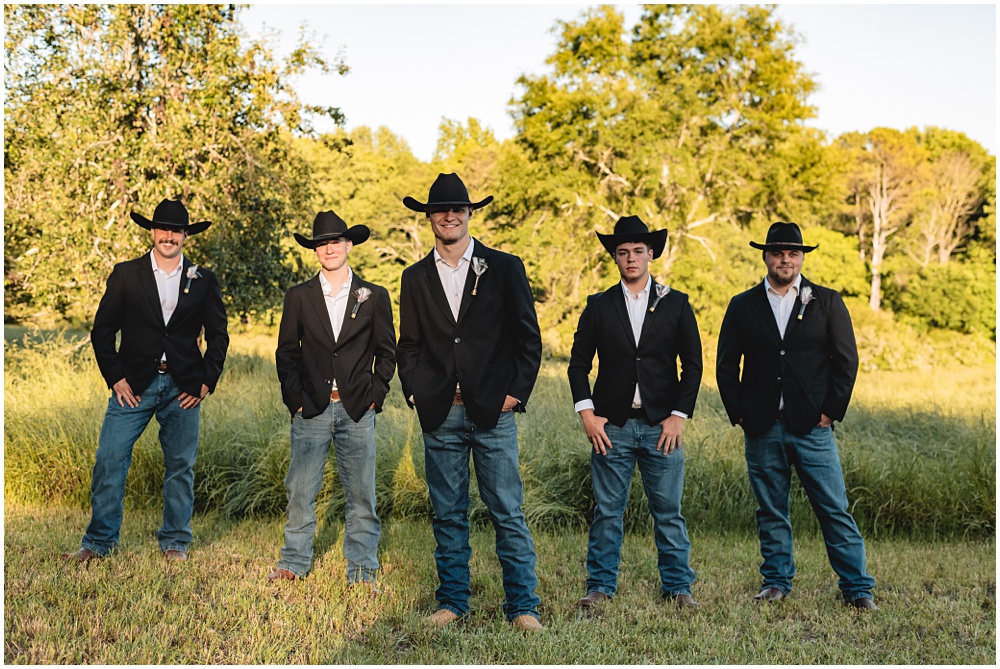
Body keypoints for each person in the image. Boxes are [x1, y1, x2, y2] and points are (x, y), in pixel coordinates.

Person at [396, 173, 544, 632]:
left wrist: (515, 393)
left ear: (469, 214)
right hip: (441, 412)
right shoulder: (415, 277)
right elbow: (410, 344)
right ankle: (452, 602)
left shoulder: (504, 267)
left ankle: (523, 606)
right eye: (441, 209)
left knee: (507, 510)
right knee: (448, 513)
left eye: (458, 208)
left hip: (493, 412)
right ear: (429, 218)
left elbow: (528, 338)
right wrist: (416, 390)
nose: (450, 215)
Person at [716, 221, 878, 610]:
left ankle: (857, 588)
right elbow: (725, 366)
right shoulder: (742, 305)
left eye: (792, 253)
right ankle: (775, 581)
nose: (785, 259)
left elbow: (846, 362)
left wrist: (830, 413)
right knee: (770, 510)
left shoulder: (827, 301)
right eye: (777, 252)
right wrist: (740, 415)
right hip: (761, 427)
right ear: (766, 256)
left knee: (834, 508)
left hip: (813, 429)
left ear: (802, 257)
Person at [63, 198, 229, 562]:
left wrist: (206, 381)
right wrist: (116, 377)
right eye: (163, 229)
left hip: (183, 387)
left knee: (180, 467)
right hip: (134, 385)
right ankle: (98, 542)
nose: (169, 236)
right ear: (152, 232)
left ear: (186, 235)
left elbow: (218, 336)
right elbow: (102, 331)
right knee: (110, 458)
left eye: (177, 230)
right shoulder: (126, 274)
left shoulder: (203, 279)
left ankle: (175, 541)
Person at [567, 215, 703, 611]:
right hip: (613, 426)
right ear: (615, 257)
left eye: (638, 251)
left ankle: (678, 587)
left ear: (651, 254)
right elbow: (578, 365)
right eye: (623, 252)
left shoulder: (676, 303)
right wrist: (587, 414)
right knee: (608, 512)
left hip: (663, 425)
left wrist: (679, 414)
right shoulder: (598, 305)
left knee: (669, 512)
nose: (631, 258)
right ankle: (600, 587)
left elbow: (692, 365)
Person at [271, 211, 396, 588]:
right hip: (311, 408)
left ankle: (361, 570)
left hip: (358, 408)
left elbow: (387, 352)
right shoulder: (298, 297)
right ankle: (293, 562)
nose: (329, 248)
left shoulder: (374, 296)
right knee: (300, 490)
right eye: (322, 243)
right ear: (315, 250)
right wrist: (295, 400)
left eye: (336, 241)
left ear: (349, 245)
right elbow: (286, 353)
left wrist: (376, 395)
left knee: (362, 495)